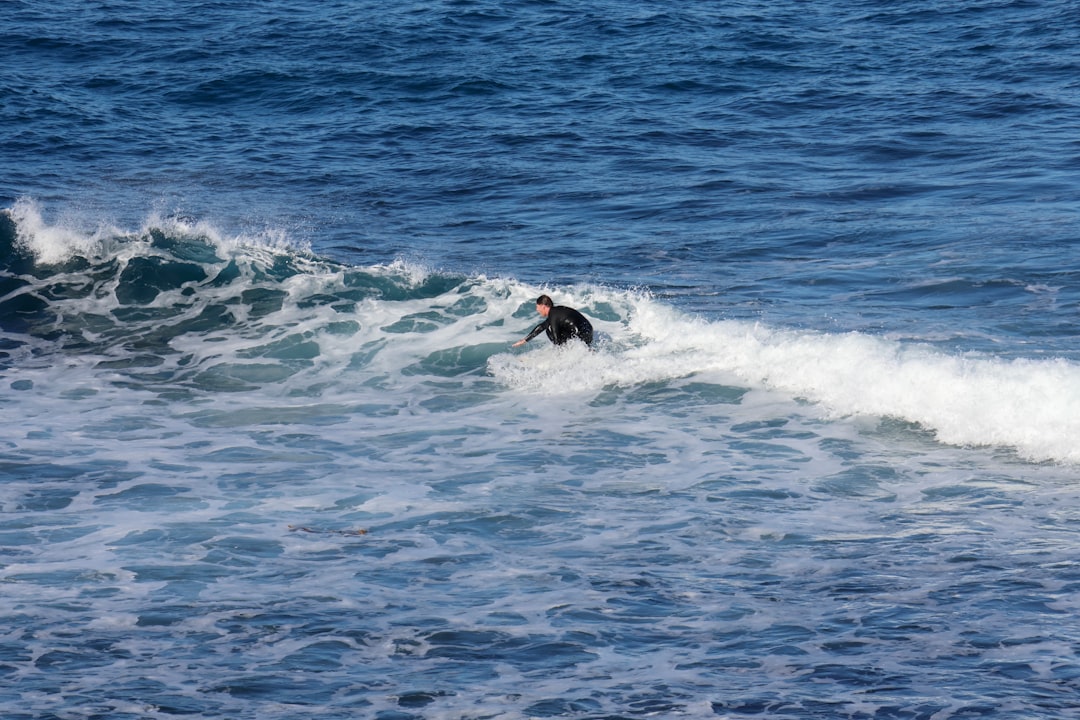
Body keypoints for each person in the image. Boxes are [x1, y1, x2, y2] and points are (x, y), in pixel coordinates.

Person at [513, 294, 594, 348]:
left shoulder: (553, 316)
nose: (537, 310)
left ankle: (564, 353)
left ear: (543, 306)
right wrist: (525, 340)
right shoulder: (556, 312)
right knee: (547, 327)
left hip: (581, 336)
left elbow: (556, 337)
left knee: (549, 329)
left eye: (538, 307)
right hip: (588, 332)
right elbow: (541, 326)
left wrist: (558, 352)